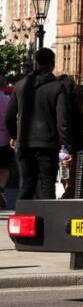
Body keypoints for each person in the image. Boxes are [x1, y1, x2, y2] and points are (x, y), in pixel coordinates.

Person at [4, 48, 70, 200]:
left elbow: (8, 116)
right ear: (52, 64)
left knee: (27, 185)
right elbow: (63, 121)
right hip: (48, 144)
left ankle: (21, 220)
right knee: (47, 186)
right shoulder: (58, 87)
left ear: (36, 62)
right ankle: (48, 221)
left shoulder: (20, 85)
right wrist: (67, 143)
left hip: (25, 144)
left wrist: (16, 135)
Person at [0, 76, 12, 208]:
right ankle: (1, 188)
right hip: (4, 139)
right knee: (5, 168)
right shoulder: (8, 100)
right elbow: (11, 119)